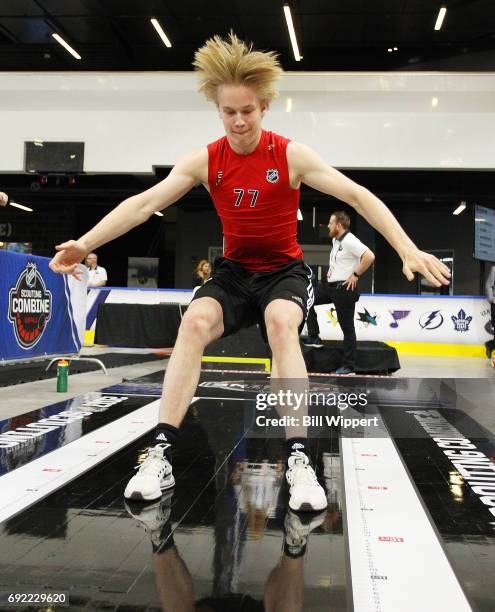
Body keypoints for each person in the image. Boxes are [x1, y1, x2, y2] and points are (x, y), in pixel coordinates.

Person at [49, 33, 450, 510]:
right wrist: (85, 243)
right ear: (218, 110)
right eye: (229, 112)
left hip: (284, 271)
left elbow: (358, 196)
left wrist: (405, 249)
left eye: (248, 111)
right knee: (194, 323)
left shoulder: (289, 156)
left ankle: (300, 460)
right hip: (235, 272)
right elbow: (143, 204)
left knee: (282, 324)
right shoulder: (207, 159)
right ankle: (160, 452)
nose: (239, 121)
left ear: (263, 108)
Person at [303, 211, 375, 375]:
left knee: (347, 329)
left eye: (330, 223)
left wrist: (355, 275)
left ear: (339, 225)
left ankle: (349, 366)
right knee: (308, 298)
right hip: (331, 286)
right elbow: (340, 262)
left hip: (344, 290)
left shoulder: (350, 240)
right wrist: (332, 272)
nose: (328, 226)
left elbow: (369, 256)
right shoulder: (336, 240)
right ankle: (314, 337)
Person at [485, 264, 495, 359]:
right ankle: (490, 345)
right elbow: (489, 285)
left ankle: (490, 345)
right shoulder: (494, 269)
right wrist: (492, 299)